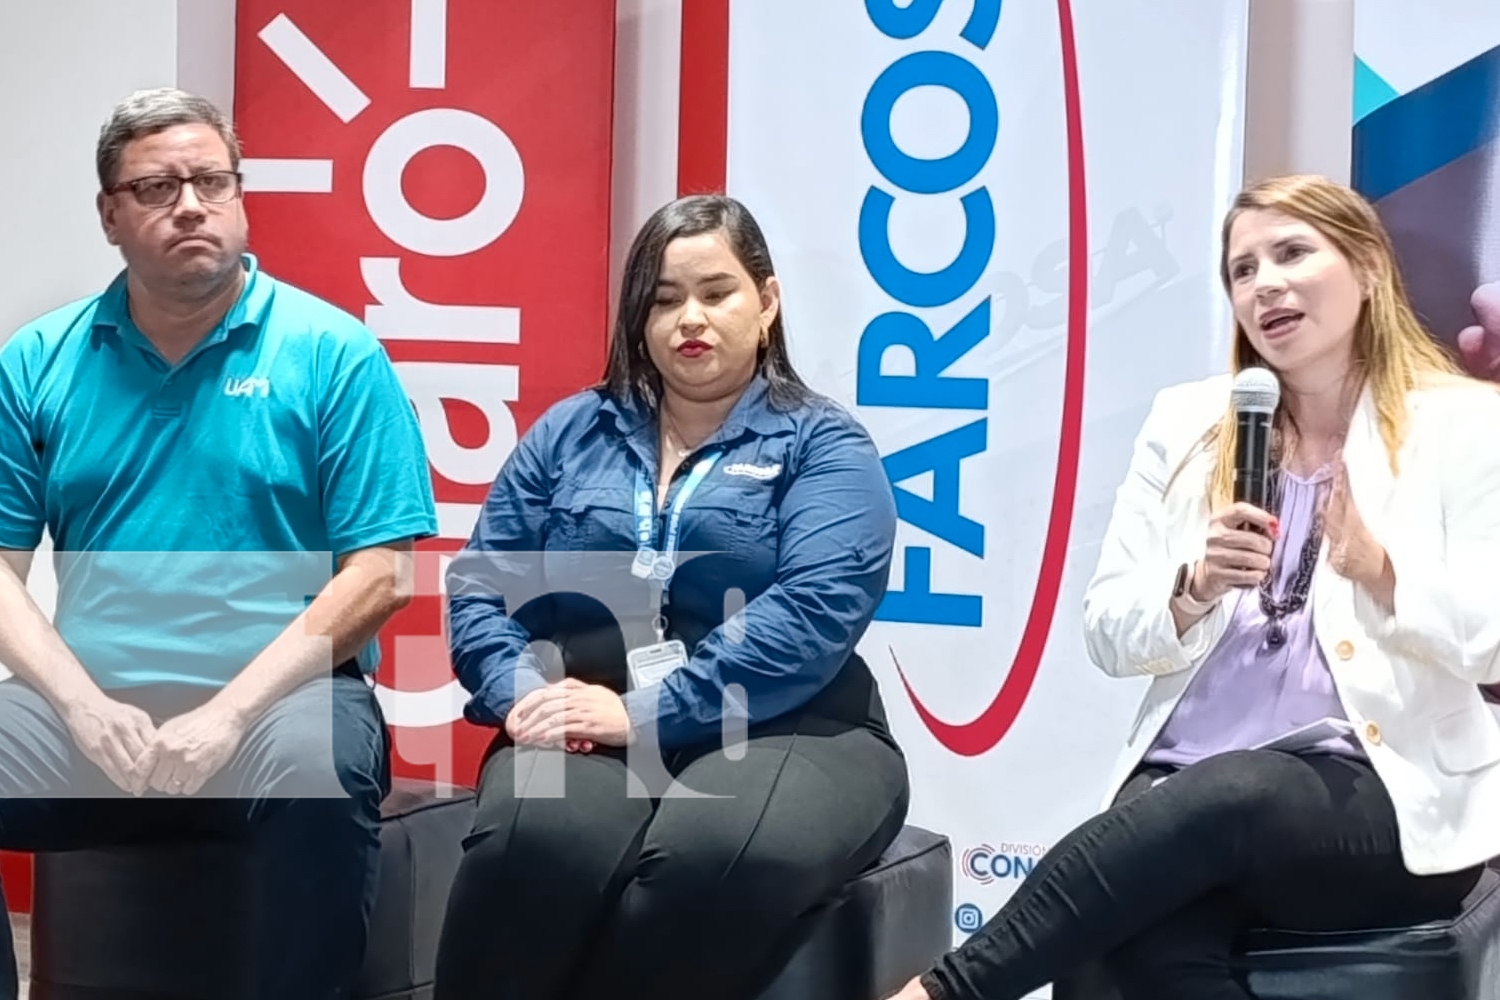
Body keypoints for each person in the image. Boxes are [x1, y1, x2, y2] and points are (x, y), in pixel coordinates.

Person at [886, 173, 1500, 1000]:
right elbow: (1107, 630)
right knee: (1127, 947)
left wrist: (1383, 572)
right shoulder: (1189, 423)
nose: (1264, 285)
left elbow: (1489, 636)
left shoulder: (1462, 426)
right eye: (1242, 271)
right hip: (1186, 777)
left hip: (1379, 796)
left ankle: (944, 993)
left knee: (1230, 795)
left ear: (1367, 268)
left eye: (1290, 253)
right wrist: (1192, 586)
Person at [0, 89, 436, 999]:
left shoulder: (334, 352)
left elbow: (384, 572)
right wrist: (79, 703)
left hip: (277, 704)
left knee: (321, 767)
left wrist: (230, 712)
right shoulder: (38, 359)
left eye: (210, 181)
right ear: (110, 215)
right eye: (156, 187)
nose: (190, 205)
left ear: (240, 196)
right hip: (94, 715)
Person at [435, 194, 910, 1000]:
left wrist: (645, 714)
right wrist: (520, 695)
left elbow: (813, 610)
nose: (690, 318)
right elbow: (484, 582)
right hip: (583, 711)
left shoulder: (824, 443)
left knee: (717, 852)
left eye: (716, 292)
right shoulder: (569, 431)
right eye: (663, 300)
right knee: (532, 842)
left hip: (791, 722)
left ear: (766, 302)